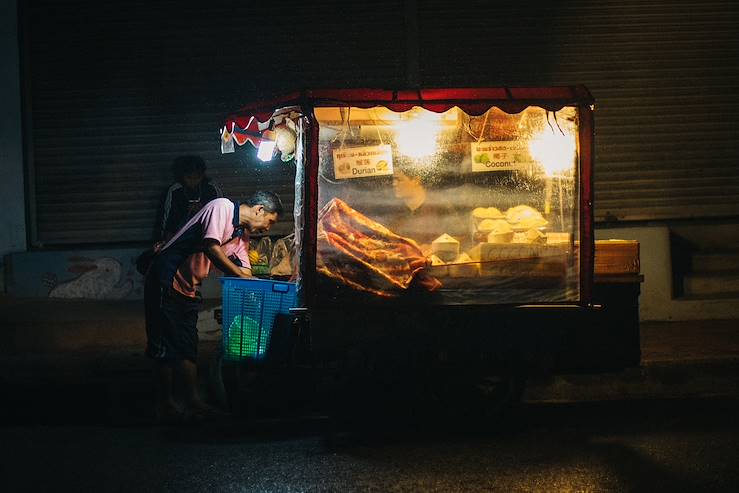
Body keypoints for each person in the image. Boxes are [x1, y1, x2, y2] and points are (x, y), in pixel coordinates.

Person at [144, 191, 283, 423]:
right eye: (269, 221)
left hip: (189, 287)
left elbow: (244, 270)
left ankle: (192, 403)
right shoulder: (223, 207)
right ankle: (164, 405)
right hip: (165, 278)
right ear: (259, 209)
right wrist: (241, 275)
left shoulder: (241, 236)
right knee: (163, 344)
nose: (268, 229)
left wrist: (260, 287)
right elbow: (211, 247)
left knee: (188, 343)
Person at [386, 162, 463, 252]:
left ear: (416, 180)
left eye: (399, 180)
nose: (394, 184)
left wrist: (434, 248)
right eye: (393, 180)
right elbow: (389, 240)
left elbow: (461, 235)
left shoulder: (439, 204)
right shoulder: (396, 210)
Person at [157, 155, 223, 242]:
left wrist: (203, 210)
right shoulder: (175, 191)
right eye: (189, 178)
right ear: (182, 176)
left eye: (197, 177)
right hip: (181, 238)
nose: (193, 181)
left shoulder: (211, 189)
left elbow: (221, 215)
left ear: (202, 175)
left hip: (207, 237)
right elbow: (168, 219)